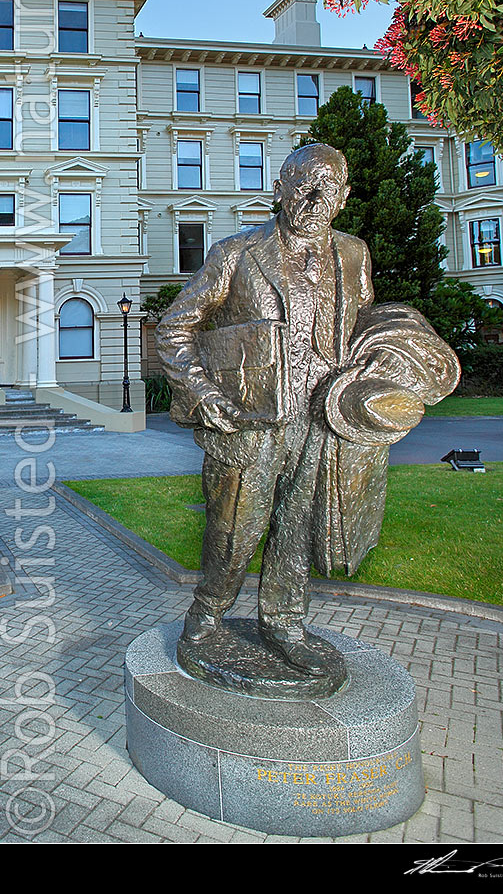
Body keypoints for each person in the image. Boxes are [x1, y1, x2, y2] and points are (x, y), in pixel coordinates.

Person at [156, 142, 374, 677]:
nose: (314, 198)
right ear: (278, 189)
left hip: (323, 418)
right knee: (235, 531)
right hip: (251, 421)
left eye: (328, 187)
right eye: (303, 184)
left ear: (344, 197)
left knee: (297, 527)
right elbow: (175, 327)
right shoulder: (236, 253)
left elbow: (365, 329)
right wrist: (204, 392)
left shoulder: (353, 254)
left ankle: (285, 623)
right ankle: (205, 618)